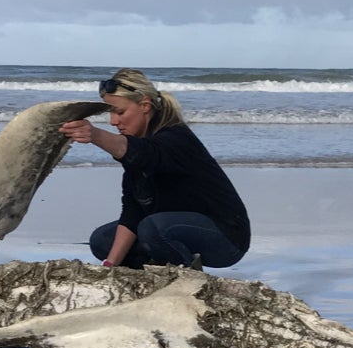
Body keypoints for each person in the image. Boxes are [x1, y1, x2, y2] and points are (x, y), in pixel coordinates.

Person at [59, 69, 251, 270]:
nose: (113, 121)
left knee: (152, 229)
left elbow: (144, 153)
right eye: (110, 113)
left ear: (144, 105)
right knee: (102, 240)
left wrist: (95, 135)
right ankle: (152, 273)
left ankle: (189, 279)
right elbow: (133, 212)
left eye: (120, 112)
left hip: (226, 239)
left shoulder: (176, 139)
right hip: (169, 229)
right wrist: (110, 265)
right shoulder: (138, 148)